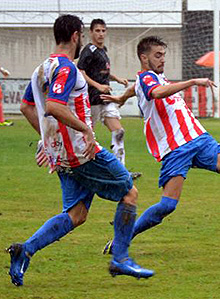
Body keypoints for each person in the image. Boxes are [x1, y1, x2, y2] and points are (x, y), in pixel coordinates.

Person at [100, 35, 220, 256]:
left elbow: (137, 87)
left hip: (200, 140)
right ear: (143, 57)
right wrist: (193, 82)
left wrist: (120, 98)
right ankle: (123, 238)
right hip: (176, 149)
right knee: (166, 206)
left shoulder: (154, 77)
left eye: (164, 55)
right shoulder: (148, 78)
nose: (162, 59)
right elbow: (154, 92)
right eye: (158, 55)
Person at [8, 14, 153, 287]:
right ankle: (120, 258)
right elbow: (53, 105)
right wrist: (85, 130)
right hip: (81, 152)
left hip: (62, 156)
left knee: (77, 215)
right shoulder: (66, 68)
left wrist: (47, 139)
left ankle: (25, 249)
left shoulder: (40, 68)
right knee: (130, 193)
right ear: (76, 35)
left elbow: (28, 107)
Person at [77, 19, 136, 174]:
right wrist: (98, 86)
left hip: (105, 98)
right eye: (97, 31)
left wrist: (116, 79)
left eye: (103, 30)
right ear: (91, 33)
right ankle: (83, 167)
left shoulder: (103, 51)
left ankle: (120, 170)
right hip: (91, 99)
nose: (101, 34)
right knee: (88, 137)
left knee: (119, 132)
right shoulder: (88, 50)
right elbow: (81, 72)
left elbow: (102, 72)